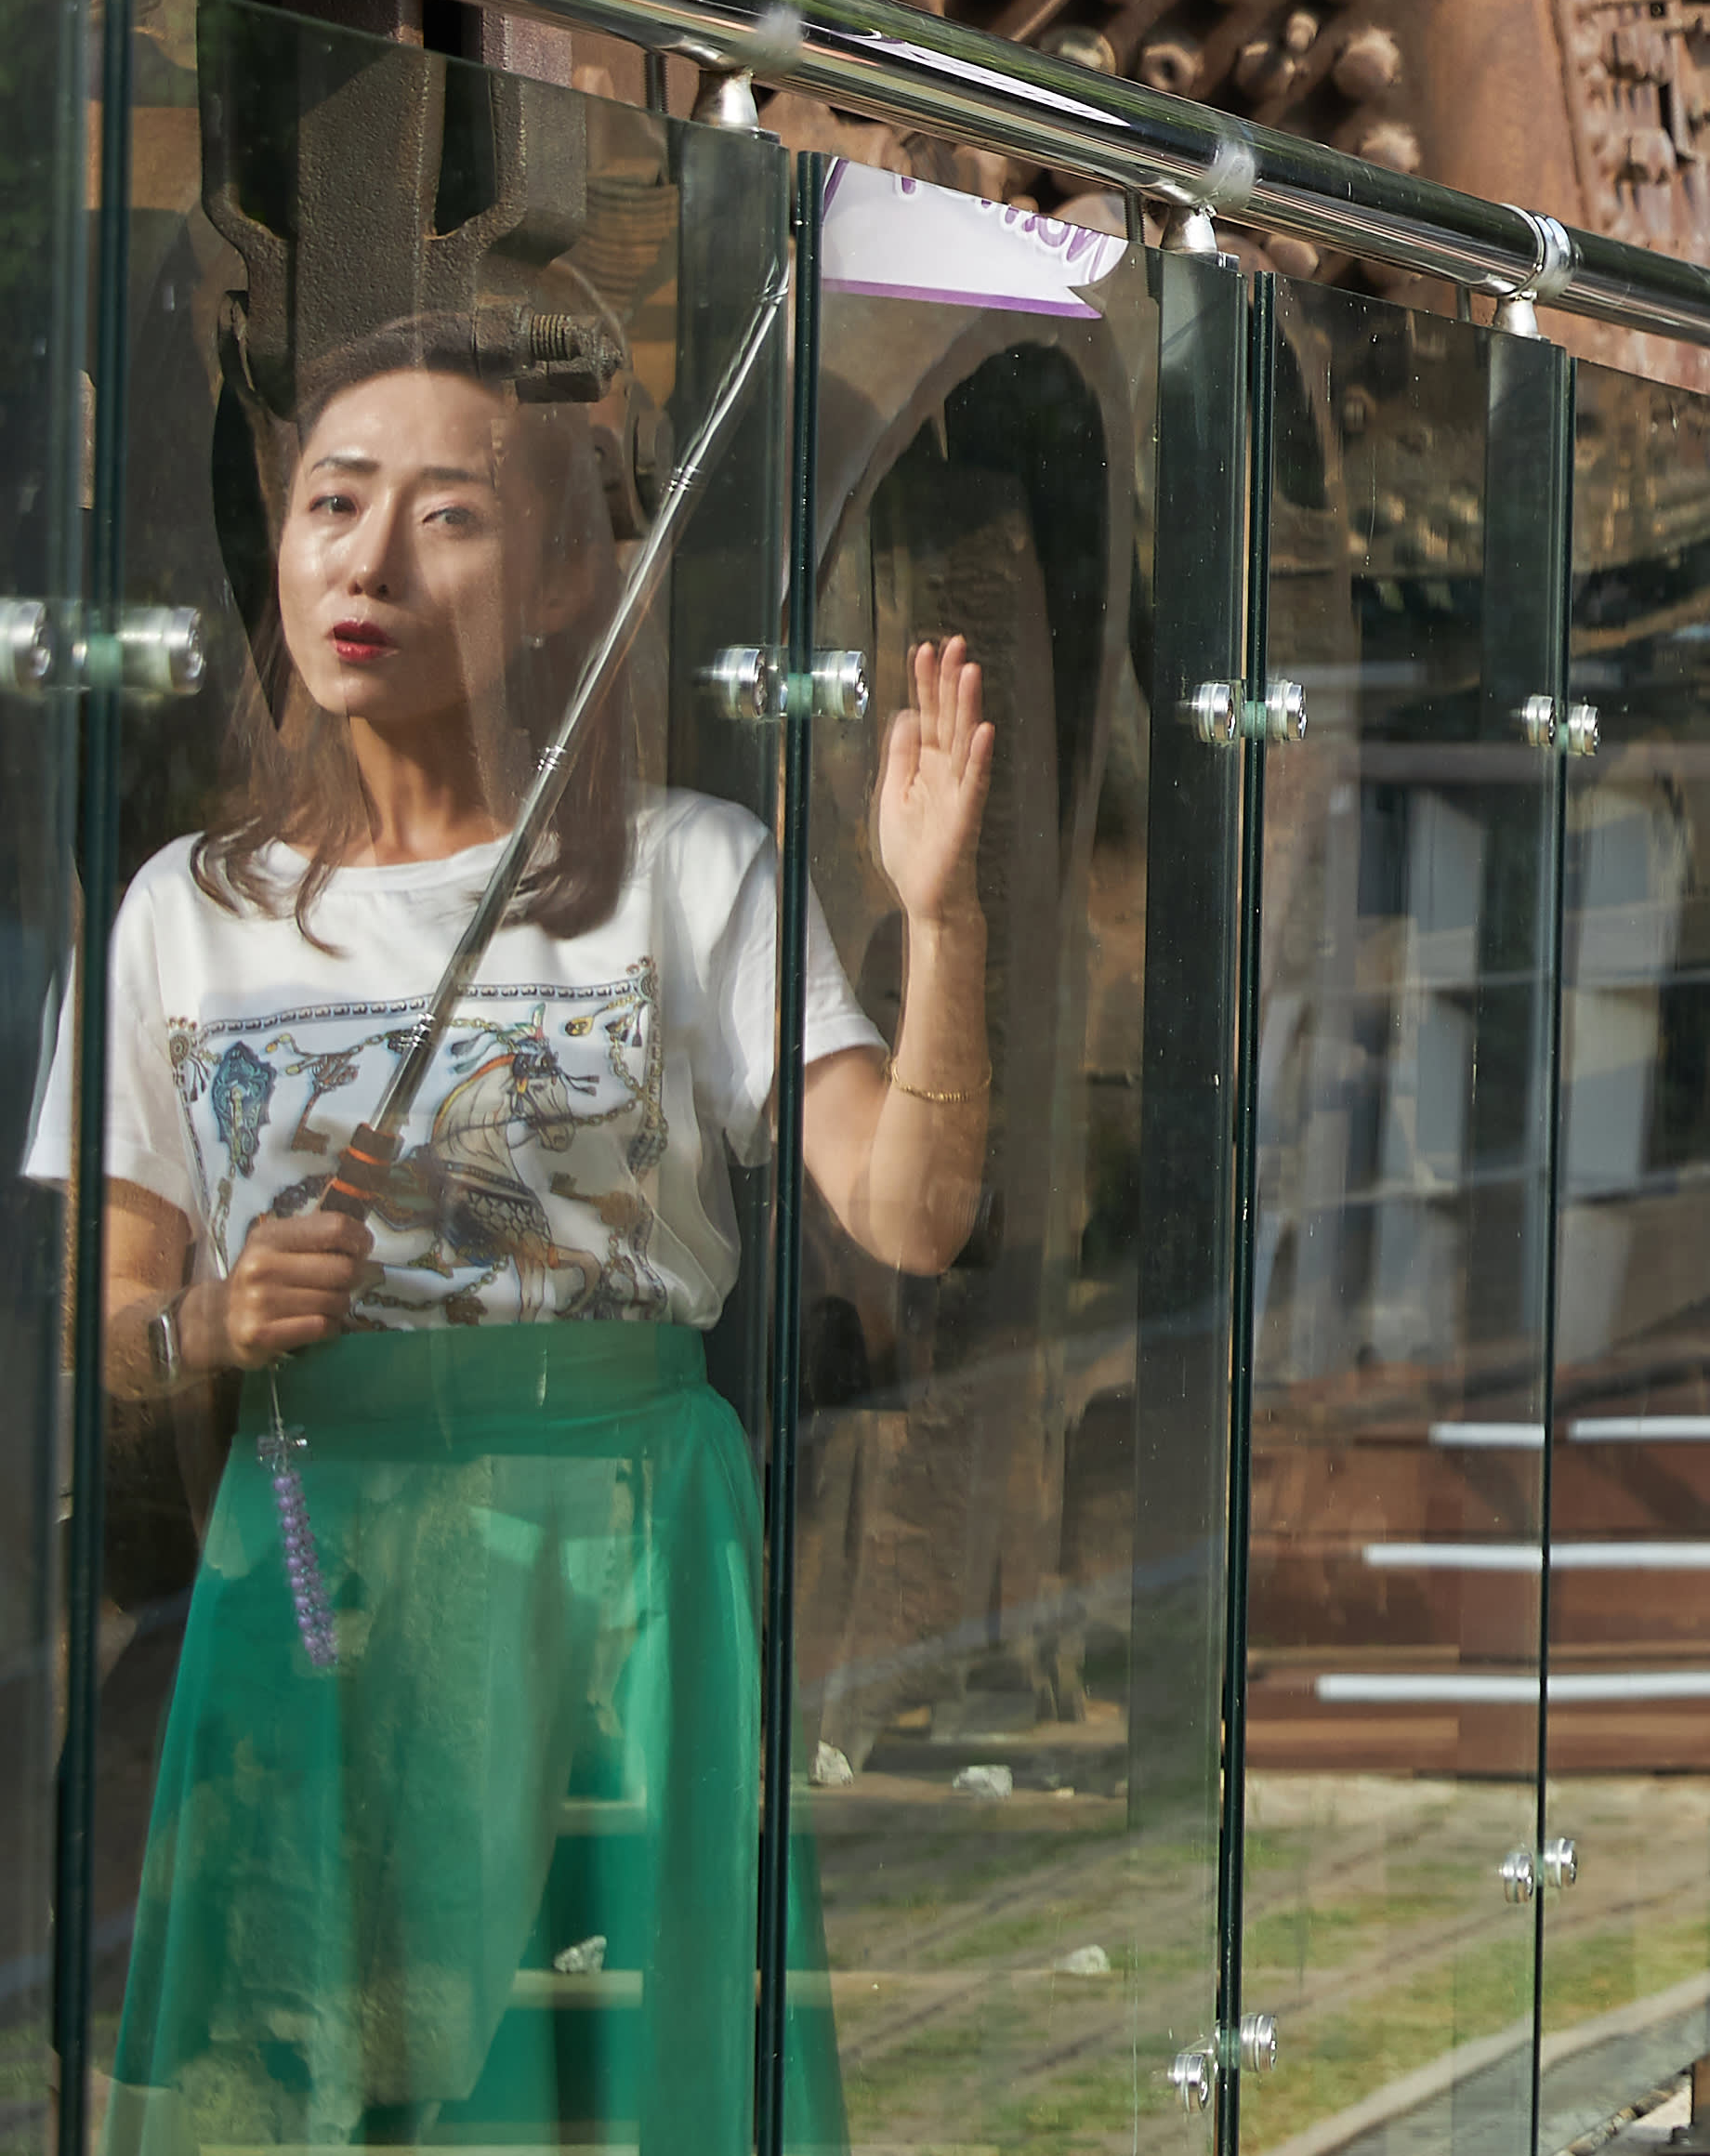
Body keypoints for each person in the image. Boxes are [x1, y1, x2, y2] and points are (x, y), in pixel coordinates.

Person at [38, 311, 999, 2151]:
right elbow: (108, 1317)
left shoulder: (691, 866)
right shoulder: (182, 913)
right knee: (309, 2066)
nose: (371, 562)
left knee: (615, 2087)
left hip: (623, 1549)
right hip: (319, 1547)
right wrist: (222, 1331)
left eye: (449, 516)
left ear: (563, 573)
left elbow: (915, 1210)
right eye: (335, 502)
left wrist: (941, 928)